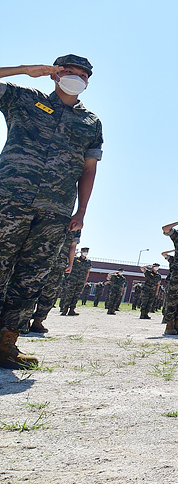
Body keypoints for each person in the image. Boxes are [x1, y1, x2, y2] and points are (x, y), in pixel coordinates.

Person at [0, 55, 102, 369]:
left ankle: (7, 344)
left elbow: (88, 169)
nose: (76, 77)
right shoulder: (23, 99)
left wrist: (81, 210)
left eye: (82, 74)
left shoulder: (91, 122)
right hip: (9, 200)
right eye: (69, 71)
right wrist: (24, 70)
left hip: (56, 210)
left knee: (31, 278)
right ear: (53, 74)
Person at [30, 229, 79, 332]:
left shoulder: (75, 225)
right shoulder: (75, 223)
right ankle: (33, 321)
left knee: (38, 288)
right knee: (46, 290)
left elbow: (73, 246)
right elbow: (73, 246)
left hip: (47, 259)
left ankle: (32, 321)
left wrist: (70, 264)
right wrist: (70, 264)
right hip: (46, 259)